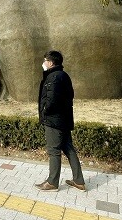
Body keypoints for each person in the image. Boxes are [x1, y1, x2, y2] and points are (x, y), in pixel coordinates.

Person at [35, 50, 86, 192]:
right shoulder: (63, 75)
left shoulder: (53, 77)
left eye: (45, 60)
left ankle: (52, 182)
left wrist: (45, 112)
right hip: (64, 119)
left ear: (50, 62)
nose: (43, 63)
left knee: (53, 151)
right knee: (68, 148)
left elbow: (51, 100)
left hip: (54, 121)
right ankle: (79, 181)